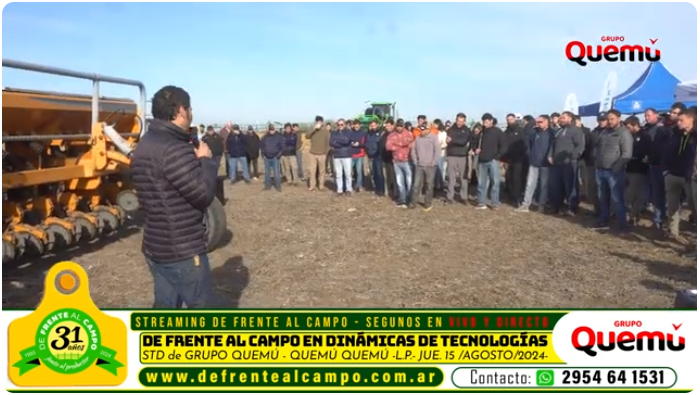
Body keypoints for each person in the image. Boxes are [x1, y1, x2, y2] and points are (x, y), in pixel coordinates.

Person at [130, 85, 217, 308]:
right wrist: (205, 160)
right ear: (180, 111)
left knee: (165, 307)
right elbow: (203, 194)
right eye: (190, 109)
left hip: (155, 246)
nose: (191, 113)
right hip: (182, 249)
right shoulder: (174, 149)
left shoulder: (145, 144)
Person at [593, 109, 633, 231]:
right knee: (603, 198)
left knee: (617, 200)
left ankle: (622, 226)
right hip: (601, 170)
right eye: (608, 119)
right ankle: (603, 221)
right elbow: (598, 149)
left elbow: (627, 154)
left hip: (614, 172)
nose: (610, 121)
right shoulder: (604, 132)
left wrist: (616, 169)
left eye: (612, 119)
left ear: (619, 118)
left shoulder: (624, 133)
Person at [662, 108, 697, 241]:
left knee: (694, 208)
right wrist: (665, 171)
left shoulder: (695, 136)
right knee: (672, 206)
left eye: (682, 120)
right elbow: (666, 152)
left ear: (692, 119)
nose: (678, 123)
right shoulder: (674, 134)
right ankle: (673, 231)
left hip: (689, 177)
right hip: (672, 174)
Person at [547, 111, 585, 216]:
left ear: (570, 118)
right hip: (557, 163)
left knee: (570, 186)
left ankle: (572, 207)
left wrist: (571, 157)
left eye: (563, 118)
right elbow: (553, 144)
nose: (561, 120)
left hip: (569, 163)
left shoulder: (576, 131)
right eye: (561, 118)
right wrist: (550, 155)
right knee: (556, 185)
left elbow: (579, 146)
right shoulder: (559, 131)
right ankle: (556, 206)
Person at [516, 115, 555, 213]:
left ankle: (541, 205)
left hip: (546, 164)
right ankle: (526, 204)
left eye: (540, 122)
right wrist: (530, 155)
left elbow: (553, 147)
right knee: (530, 184)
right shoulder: (533, 132)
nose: (538, 124)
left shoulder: (552, 133)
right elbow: (528, 145)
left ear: (547, 122)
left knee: (544, 185)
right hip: (534, 162)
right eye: (537, 122)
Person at [474, 113, 507, 210]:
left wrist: (497, 156)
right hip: (482, 160)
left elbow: (504, 145)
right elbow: (474, 142)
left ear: (491, 121)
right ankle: (481, 202)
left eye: (487, 121)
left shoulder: (498, 132)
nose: (485, 123)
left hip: (493, 161)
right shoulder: (482, 132)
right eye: (483, 121)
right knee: (481, 183)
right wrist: (476, 148)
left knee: (495, 183)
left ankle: (495, 203)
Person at [623, 116, 651, 225]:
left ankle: (633, 215)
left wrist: (635, 156)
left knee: (632, 194)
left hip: (639, 170)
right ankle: (632, 214)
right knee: (629, 193)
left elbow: (645, 152)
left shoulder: (645, 136)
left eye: (629, 127)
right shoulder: (628, 135)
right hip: (628, 168)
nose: (627, 129)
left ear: (635, 125)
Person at [644, 108, 667, 230]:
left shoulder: (663, 128)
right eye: (646, 116)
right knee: (657, 195)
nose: (647, 118)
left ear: (656, 115)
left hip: (664, 166)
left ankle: (667, 219)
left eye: (649, 115)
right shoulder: (647, 129)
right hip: (653, 165)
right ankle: (658, 219)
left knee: (666, 194)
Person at [410, 124, 441, 211]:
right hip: (419, 165)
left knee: (429, 185)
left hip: (430, 166)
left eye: (424, 130)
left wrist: (433, 162)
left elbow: (437, 151)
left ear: (428, 129)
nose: (422, 132)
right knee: (416, 185)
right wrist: (415, 161)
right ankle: (413, 203)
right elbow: (413, 150)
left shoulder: (434, 138)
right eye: (421, 130)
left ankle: (428, 203)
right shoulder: (418, 138)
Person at [386, 119, 415, 208]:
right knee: (399, 182)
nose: (399, 128)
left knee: (409, 181)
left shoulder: (409, 134)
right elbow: (388, 146)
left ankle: (409, 198)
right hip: (396, 162)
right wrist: (400, 146)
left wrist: (402, 145)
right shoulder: (392, 135)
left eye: (401, 126)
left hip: (407, 161)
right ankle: (402, 198)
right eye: (398, 126)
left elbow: (412, 144)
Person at [444, 113, 471, 204]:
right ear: (456, 120)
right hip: (452, 155)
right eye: (458, 121)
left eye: (461, 121)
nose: (459, 123)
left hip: (462, 156)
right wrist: (454, 141)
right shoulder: (450, 130)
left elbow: (463, 142)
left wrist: (453, 140)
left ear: (464, 121)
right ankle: (449, 197)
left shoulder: (467, 130)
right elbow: (448, 141)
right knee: (451, 177)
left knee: (463, 178)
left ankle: (463, 197)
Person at [503, 113, 528, 206]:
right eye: (508, 120)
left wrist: (520, 155)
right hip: (508, 159)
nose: (510, 121)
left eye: (511, 119)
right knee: (509, 178)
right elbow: (504, 145)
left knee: (517, 178)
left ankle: (517, 197)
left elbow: (525, 145)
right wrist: (504, 158)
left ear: (515, 120)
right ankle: (510, 196)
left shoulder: (521, 131)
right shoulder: (506, 132)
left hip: (519, 159)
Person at [306, 116, 331, 192]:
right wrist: (314, 129)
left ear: (322, 122)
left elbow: (328, 143)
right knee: (312, 171)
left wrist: (325, 153)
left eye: (320, 121)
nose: (318, 123)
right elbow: (307, 136)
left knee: (322, 171)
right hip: (312, 154)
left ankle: (321, 185)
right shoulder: (312, 129)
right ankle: (312, 186)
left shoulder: (326, 131)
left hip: (322, 154)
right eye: (317, 121)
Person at [330, 119, 353, 196]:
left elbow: (346, 141)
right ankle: (339, 190)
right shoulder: (334, 133)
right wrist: (340, 142)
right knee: (338, 174)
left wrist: (337, 142)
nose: (340, 126)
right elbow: (331, 142)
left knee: (348, 174)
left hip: (346, 155)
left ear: (345, 125)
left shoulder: (349, 132)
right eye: (338, 125)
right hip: (337, 155)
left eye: (342, 124)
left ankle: (348, 189)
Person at [260, 124, 285, 192]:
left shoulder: (279, 137)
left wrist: (278, 155)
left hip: (275, 157)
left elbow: (282, 147)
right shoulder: (265, 137)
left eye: (272, 129)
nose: (271, 131)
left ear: (274, 129)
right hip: (267, 157)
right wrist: (263, 154)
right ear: (268, 130)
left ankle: (278, 187)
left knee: (276, 173)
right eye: (270, 129)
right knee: (267, 173)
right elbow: (262, 146)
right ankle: (267, 186)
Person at [365, 120, 385, 196]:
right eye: (371, 126)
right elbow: (367, 143)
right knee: (373, 173)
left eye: (374, 125)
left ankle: (381, 190)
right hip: (370, 155)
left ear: (377, 125)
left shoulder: (380, 133)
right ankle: (376, 188)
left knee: (379, 173)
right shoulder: (369, 134)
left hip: (377, 156)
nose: (373, 127)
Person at [380, 120, 397, 199]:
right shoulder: (383, 135)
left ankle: (395, 192)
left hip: (393, 159)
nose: (387, 127)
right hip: (384, 158)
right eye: (386, 126)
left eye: (388, 126)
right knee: (386, 176)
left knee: (394, 176)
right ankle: (387, 191)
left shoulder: (395, 135)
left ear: (392, 126)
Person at [349, 119, 368, 192]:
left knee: (359, 171)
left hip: (359, 155)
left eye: (357, 125)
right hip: (351, 154)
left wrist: (359, 144)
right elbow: (348, 141)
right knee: (349, 171)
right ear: (353, 125)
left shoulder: (363, 133)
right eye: (355, 125)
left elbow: (365, 143)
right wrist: (352, 144)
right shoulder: (350, 133)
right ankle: (349, 185)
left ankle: (358, 185)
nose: (356, 126)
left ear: (360, 125)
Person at [434, 119, 447, 191]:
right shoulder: (434, 132)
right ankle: (436, 184)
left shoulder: (443, 133)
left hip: (441, 153)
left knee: (440, 169)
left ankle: (441, 184)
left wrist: (438, 146)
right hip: (434, 153)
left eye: (435, 124)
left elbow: (445, 143)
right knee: (435, 170)